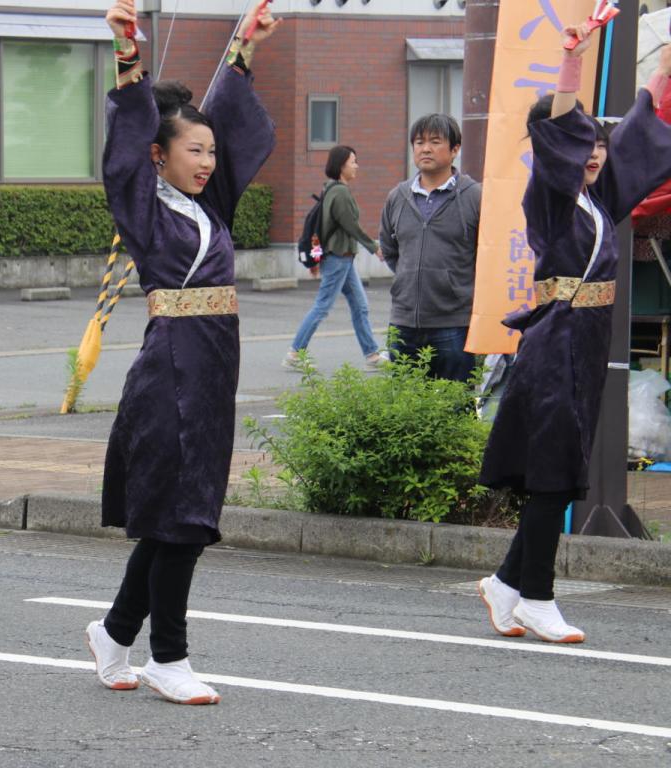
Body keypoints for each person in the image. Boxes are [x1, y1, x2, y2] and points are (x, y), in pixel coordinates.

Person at [89, 0, 276, 705]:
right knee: (181, 513)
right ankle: (168, 653)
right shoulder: (141, 201)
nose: (207, 161)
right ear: (157, 156)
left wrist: (243, 49)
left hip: (212, 369)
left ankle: (115, 633)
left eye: (210, 151)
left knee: (184, 511)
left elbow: (227, 116)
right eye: (193, 151)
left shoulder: (211, 208)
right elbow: (128, 134)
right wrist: (128, 53)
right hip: (170, 370)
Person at [477, 25, 671, 644]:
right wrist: (569, 61)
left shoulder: (597, 198)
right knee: (554, 472)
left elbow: (642, 139)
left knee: (560, 470)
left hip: (583, 345)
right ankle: (534, 593)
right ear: (551, 147)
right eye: (577, 141)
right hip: (555, 342)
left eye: (595, 142)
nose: (590, 152)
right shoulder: (551, 195)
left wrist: (665, 69)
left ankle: (509, 583)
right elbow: (559, 130)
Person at [379, 114, 482, 382]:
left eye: (435, 142)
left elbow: (487, 256)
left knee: (456, 406)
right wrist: (407, 278)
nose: (425, 148)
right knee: (405, 410)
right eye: (419, 142)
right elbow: (391, 251)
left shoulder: (474, 196)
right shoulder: (397, 197)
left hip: (455, 323)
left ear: (455, 149)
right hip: (403, 321)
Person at [283, 145, 385, 371]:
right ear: (341, 165)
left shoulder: (331, 189)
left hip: (342, 259)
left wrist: (317, 259)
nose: (356, 165)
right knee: (322, 306)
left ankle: (372, 354)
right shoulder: (339, 192)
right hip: (338, 258)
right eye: (353, 161)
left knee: (360, 306)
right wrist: (373, 246)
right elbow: (351, 226)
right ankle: (294, 352)